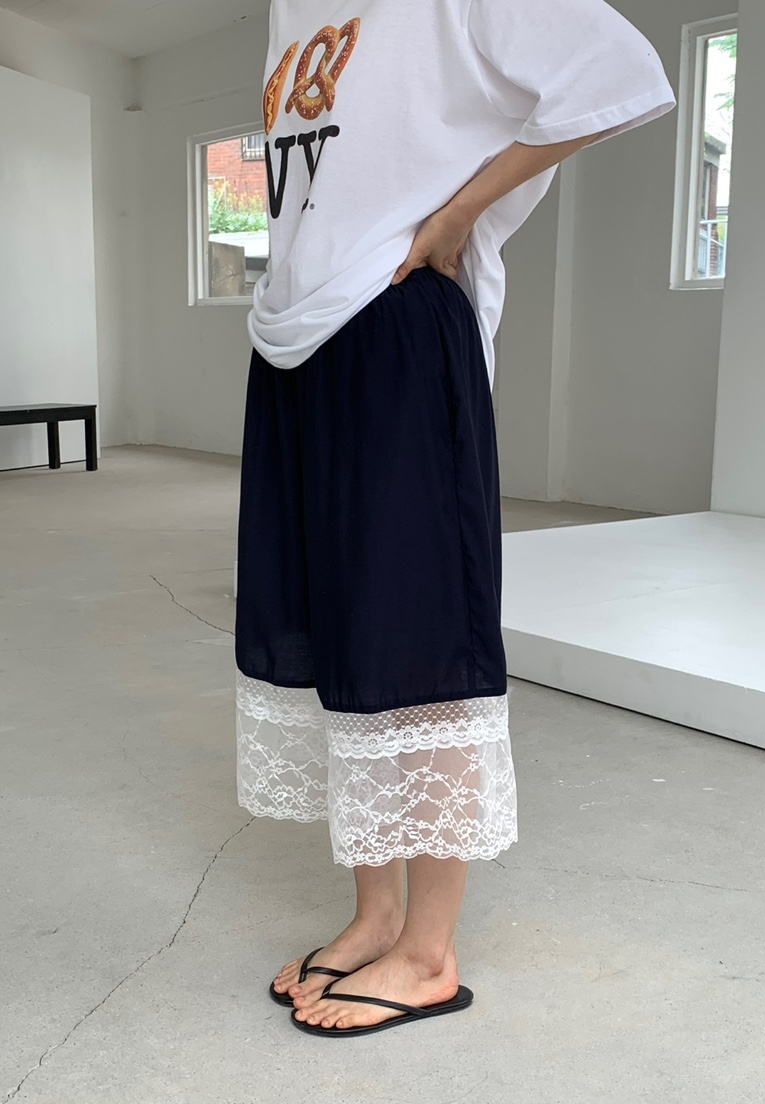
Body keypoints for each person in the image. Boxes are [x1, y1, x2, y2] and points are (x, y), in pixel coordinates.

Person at [234, 0, 675, 1037]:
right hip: (296, 337)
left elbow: (619, 71)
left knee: (418, 634)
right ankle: (376, 915)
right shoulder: (289, 7)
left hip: (394, 315)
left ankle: (429, 952)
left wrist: (460, 213)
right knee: (340, 633)